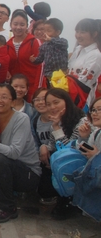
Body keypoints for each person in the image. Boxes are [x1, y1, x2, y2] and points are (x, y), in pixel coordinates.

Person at [0, 84, 41, 223]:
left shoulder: (21, 119)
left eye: (4, 97)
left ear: (12, 102)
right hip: (4, 170)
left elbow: (14, 153)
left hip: (27, 173)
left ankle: (7, 208)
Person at [44, 88, 86, 219]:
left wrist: (57, 127)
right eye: (49, 104)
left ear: (66, 101)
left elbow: (71, 150)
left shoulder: (82, 121)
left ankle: (71, 199)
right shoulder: (56, 120)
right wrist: (43, 147)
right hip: (63, 163)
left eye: (56, 102)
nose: (52, 107)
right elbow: (52, 145)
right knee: (43, 189)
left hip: (79, 163)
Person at [7, 9, 43, 102]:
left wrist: (37, 92)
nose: (18, 27)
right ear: (11, 25)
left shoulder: (34, 42)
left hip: (32, 89)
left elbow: (41, 67)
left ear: (27, 25)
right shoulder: (7, 44)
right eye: (15, 24)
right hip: (15, 90)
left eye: (22, 25)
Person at [67, 18, 101, 107]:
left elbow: (83, 81)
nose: (78, 35)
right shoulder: (78, 49)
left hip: (82, 100)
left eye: (82, 32)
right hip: (69, 96)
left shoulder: (95, 55)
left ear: (94, 34)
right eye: (77, 31)